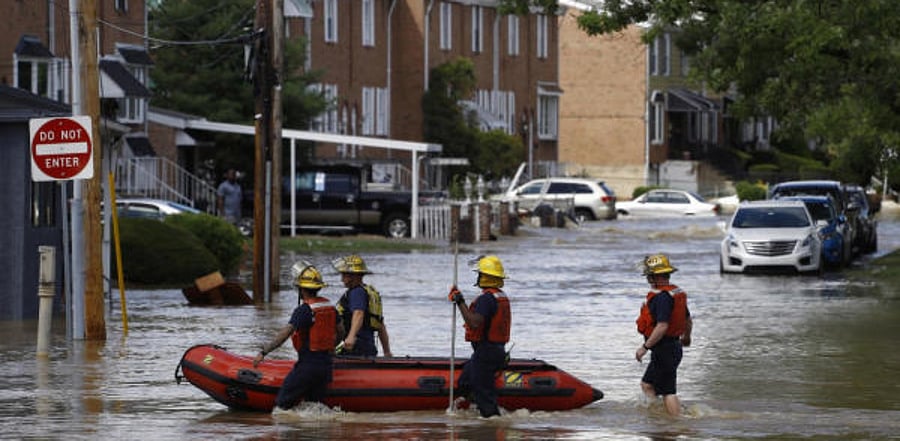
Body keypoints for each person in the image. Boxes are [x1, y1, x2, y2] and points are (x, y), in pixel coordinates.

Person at [253, 262, 339, 410]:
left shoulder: (305, 310)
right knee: (315, 407)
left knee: (281, 406)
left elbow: (285, 334)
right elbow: (341, 331)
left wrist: (264, 351)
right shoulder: (330, 307)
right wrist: (331, 345)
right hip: (326, 366)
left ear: (301, 289)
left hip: (307, 366)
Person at [448, 255, 511, 418]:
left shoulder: (486, 299)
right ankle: (471, 413)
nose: (478, 277)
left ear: (486, 277)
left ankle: (491, 423)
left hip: (486, 352)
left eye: (480, 274)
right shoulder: (499, 296)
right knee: (465, 381)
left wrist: (459, 300)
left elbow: (474, 322)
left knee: (484, 395)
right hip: (495, 350)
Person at [634, 254, 693, 416]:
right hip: (669, 348)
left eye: (649, 275)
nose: (647, 278)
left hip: (665, 349)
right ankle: (659, 416)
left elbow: (662, 326)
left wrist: (644, 347)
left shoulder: (662, 298)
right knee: (647, 384)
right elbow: (687, 319)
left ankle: (675, 424)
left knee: (668, 391)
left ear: (656, 276)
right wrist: (687, 337)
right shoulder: (674, 293)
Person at [332, 255, 392, 357]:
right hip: (368, 347)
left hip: (355, 347)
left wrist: (351, 337)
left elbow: (358, 313)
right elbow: (380, 325)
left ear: (353, 276)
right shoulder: (367, 292)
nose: (342, 279)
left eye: (344, 275)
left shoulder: (356, 293)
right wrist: (387, 351)